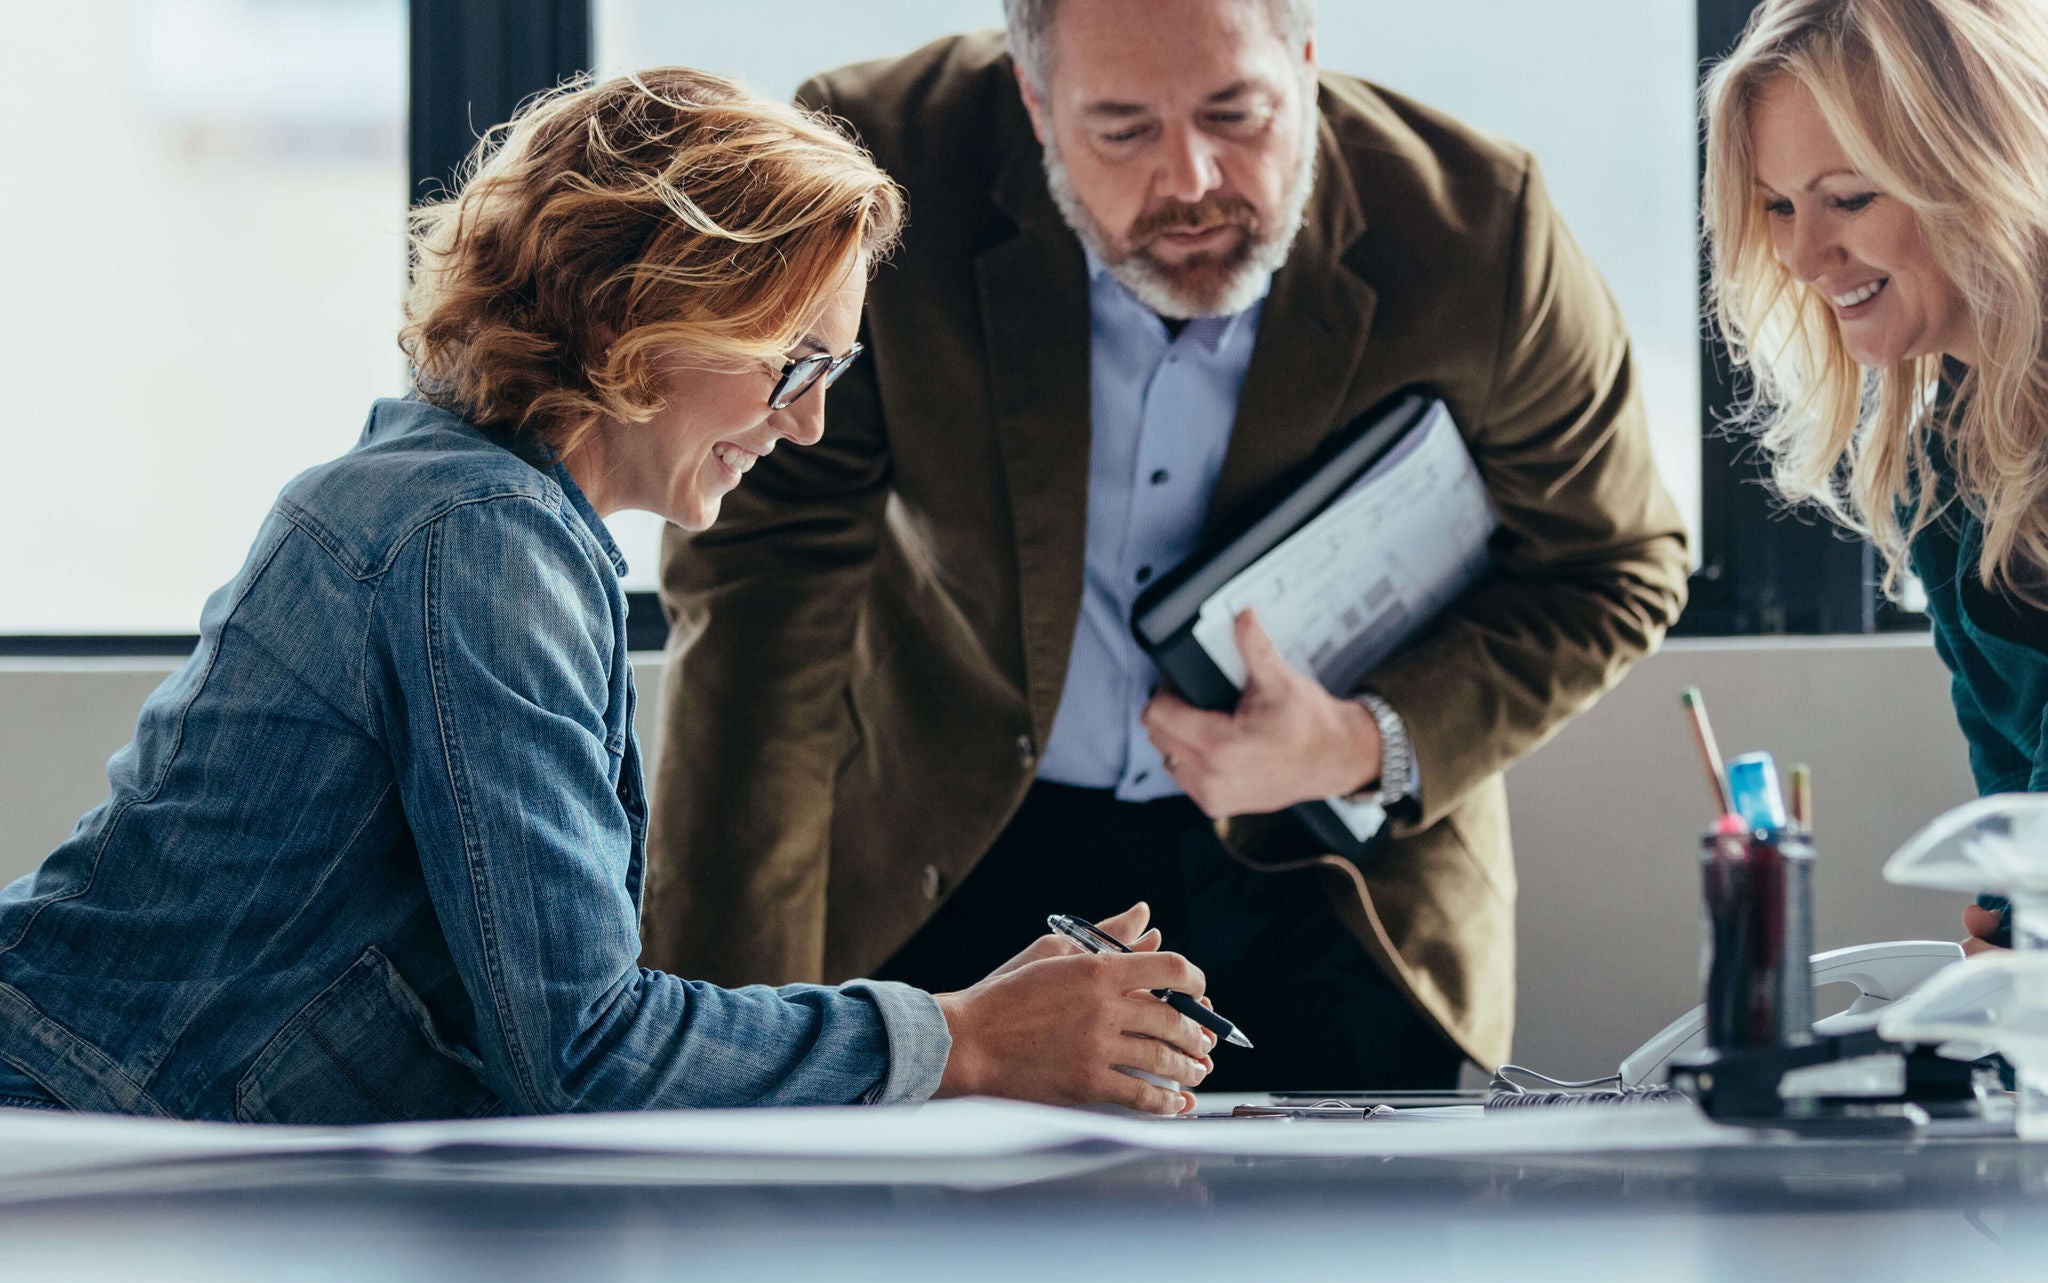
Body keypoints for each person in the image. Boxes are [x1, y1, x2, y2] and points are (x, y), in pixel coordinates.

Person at [0, 69, 1216, 1122]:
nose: (810, 421)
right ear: (637, 309)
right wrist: (968, 1039)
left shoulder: (458, 498)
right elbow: (580, 1048)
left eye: (834, 369)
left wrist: (966, 1031)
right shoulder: (481, 538)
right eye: (791, 360)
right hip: (68, 1138)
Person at [643, 0, 1690, 1090]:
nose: (1190, 178)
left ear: (1307, 67)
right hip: (953, 843)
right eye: (1123, 130)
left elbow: (1614, 563)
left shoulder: (1478, 226)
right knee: (934, 1249)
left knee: (1341, 1255)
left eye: (1236, 113)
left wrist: (1356, 742)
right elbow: (766, 580)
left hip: (1329, 888)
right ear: (1034, 103)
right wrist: (725, 1042)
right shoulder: (880, 170)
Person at [1702, 0, 2048, 957]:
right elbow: (2013, 815)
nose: (1802, 255)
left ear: (1985, 167)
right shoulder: (1936, 467)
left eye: (1849, 198)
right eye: (1779, 205)